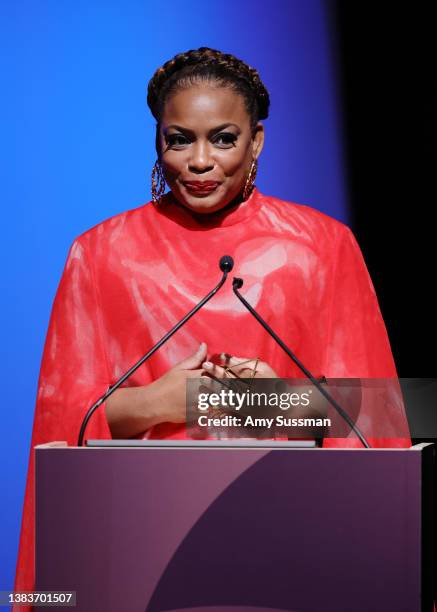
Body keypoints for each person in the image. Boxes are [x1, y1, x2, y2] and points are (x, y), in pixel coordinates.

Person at [14, 46, 411, 603]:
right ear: (159, 140)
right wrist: (159, 402)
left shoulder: (321, 246)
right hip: (140, 550)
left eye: (223, 138)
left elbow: (383, 424)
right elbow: (59, 433)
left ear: (257, 141)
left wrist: (283, 404)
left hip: (295, 542)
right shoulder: (101, 253)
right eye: (180, 139)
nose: (200, 161)